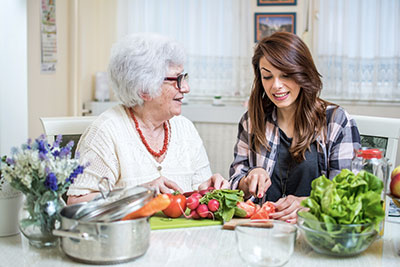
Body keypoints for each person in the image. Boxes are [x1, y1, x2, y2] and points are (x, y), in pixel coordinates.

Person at [67, 33, 229, 204]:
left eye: (184, 77)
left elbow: (197, 192)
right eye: (177, 79)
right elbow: (77, 202)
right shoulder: (107, 131)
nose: (186, 88)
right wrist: (138, 193)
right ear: (144, 89)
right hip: (130, 231)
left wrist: (208, 189)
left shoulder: (185, 128)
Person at [229, 32, 361, 223]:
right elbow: (233, 185)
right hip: (262, 231)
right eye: (267, 76)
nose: (276, 86)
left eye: (285, 75)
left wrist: (309, 203)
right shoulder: (251, 121)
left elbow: (348, 193)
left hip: (315, 232)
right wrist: (248, 178)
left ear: (302, 72)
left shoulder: (336, 121)